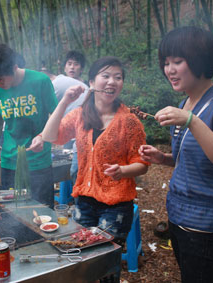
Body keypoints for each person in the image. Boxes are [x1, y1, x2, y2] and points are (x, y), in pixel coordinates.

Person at [138, 26, 213, 283]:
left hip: (205, 224)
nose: (170, 69)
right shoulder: (185, 103)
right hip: (178, 216)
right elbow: (193, 159)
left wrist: (191, 121)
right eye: (166, 63)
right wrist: (163, 158)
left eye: (178, 61)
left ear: (201, 59)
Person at [42, 56, 149, 281]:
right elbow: (51, 136)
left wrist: (123, 171)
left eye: (118, 78)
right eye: (106, 76)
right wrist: (63, 102)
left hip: (116, 206)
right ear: (92, 82)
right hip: (84, 202)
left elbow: (142, 164)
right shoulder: (81, 115)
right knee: (83, 262)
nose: (112, 82)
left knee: (104, 264)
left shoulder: (129, 121)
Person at [0, 43, 58, 208]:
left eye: (1, 79)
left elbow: (55, 116)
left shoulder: (40, 81)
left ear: (14, 67)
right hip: (9, 161)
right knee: (14, 212)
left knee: (43, 211)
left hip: (38, 160)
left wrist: (43, 136)